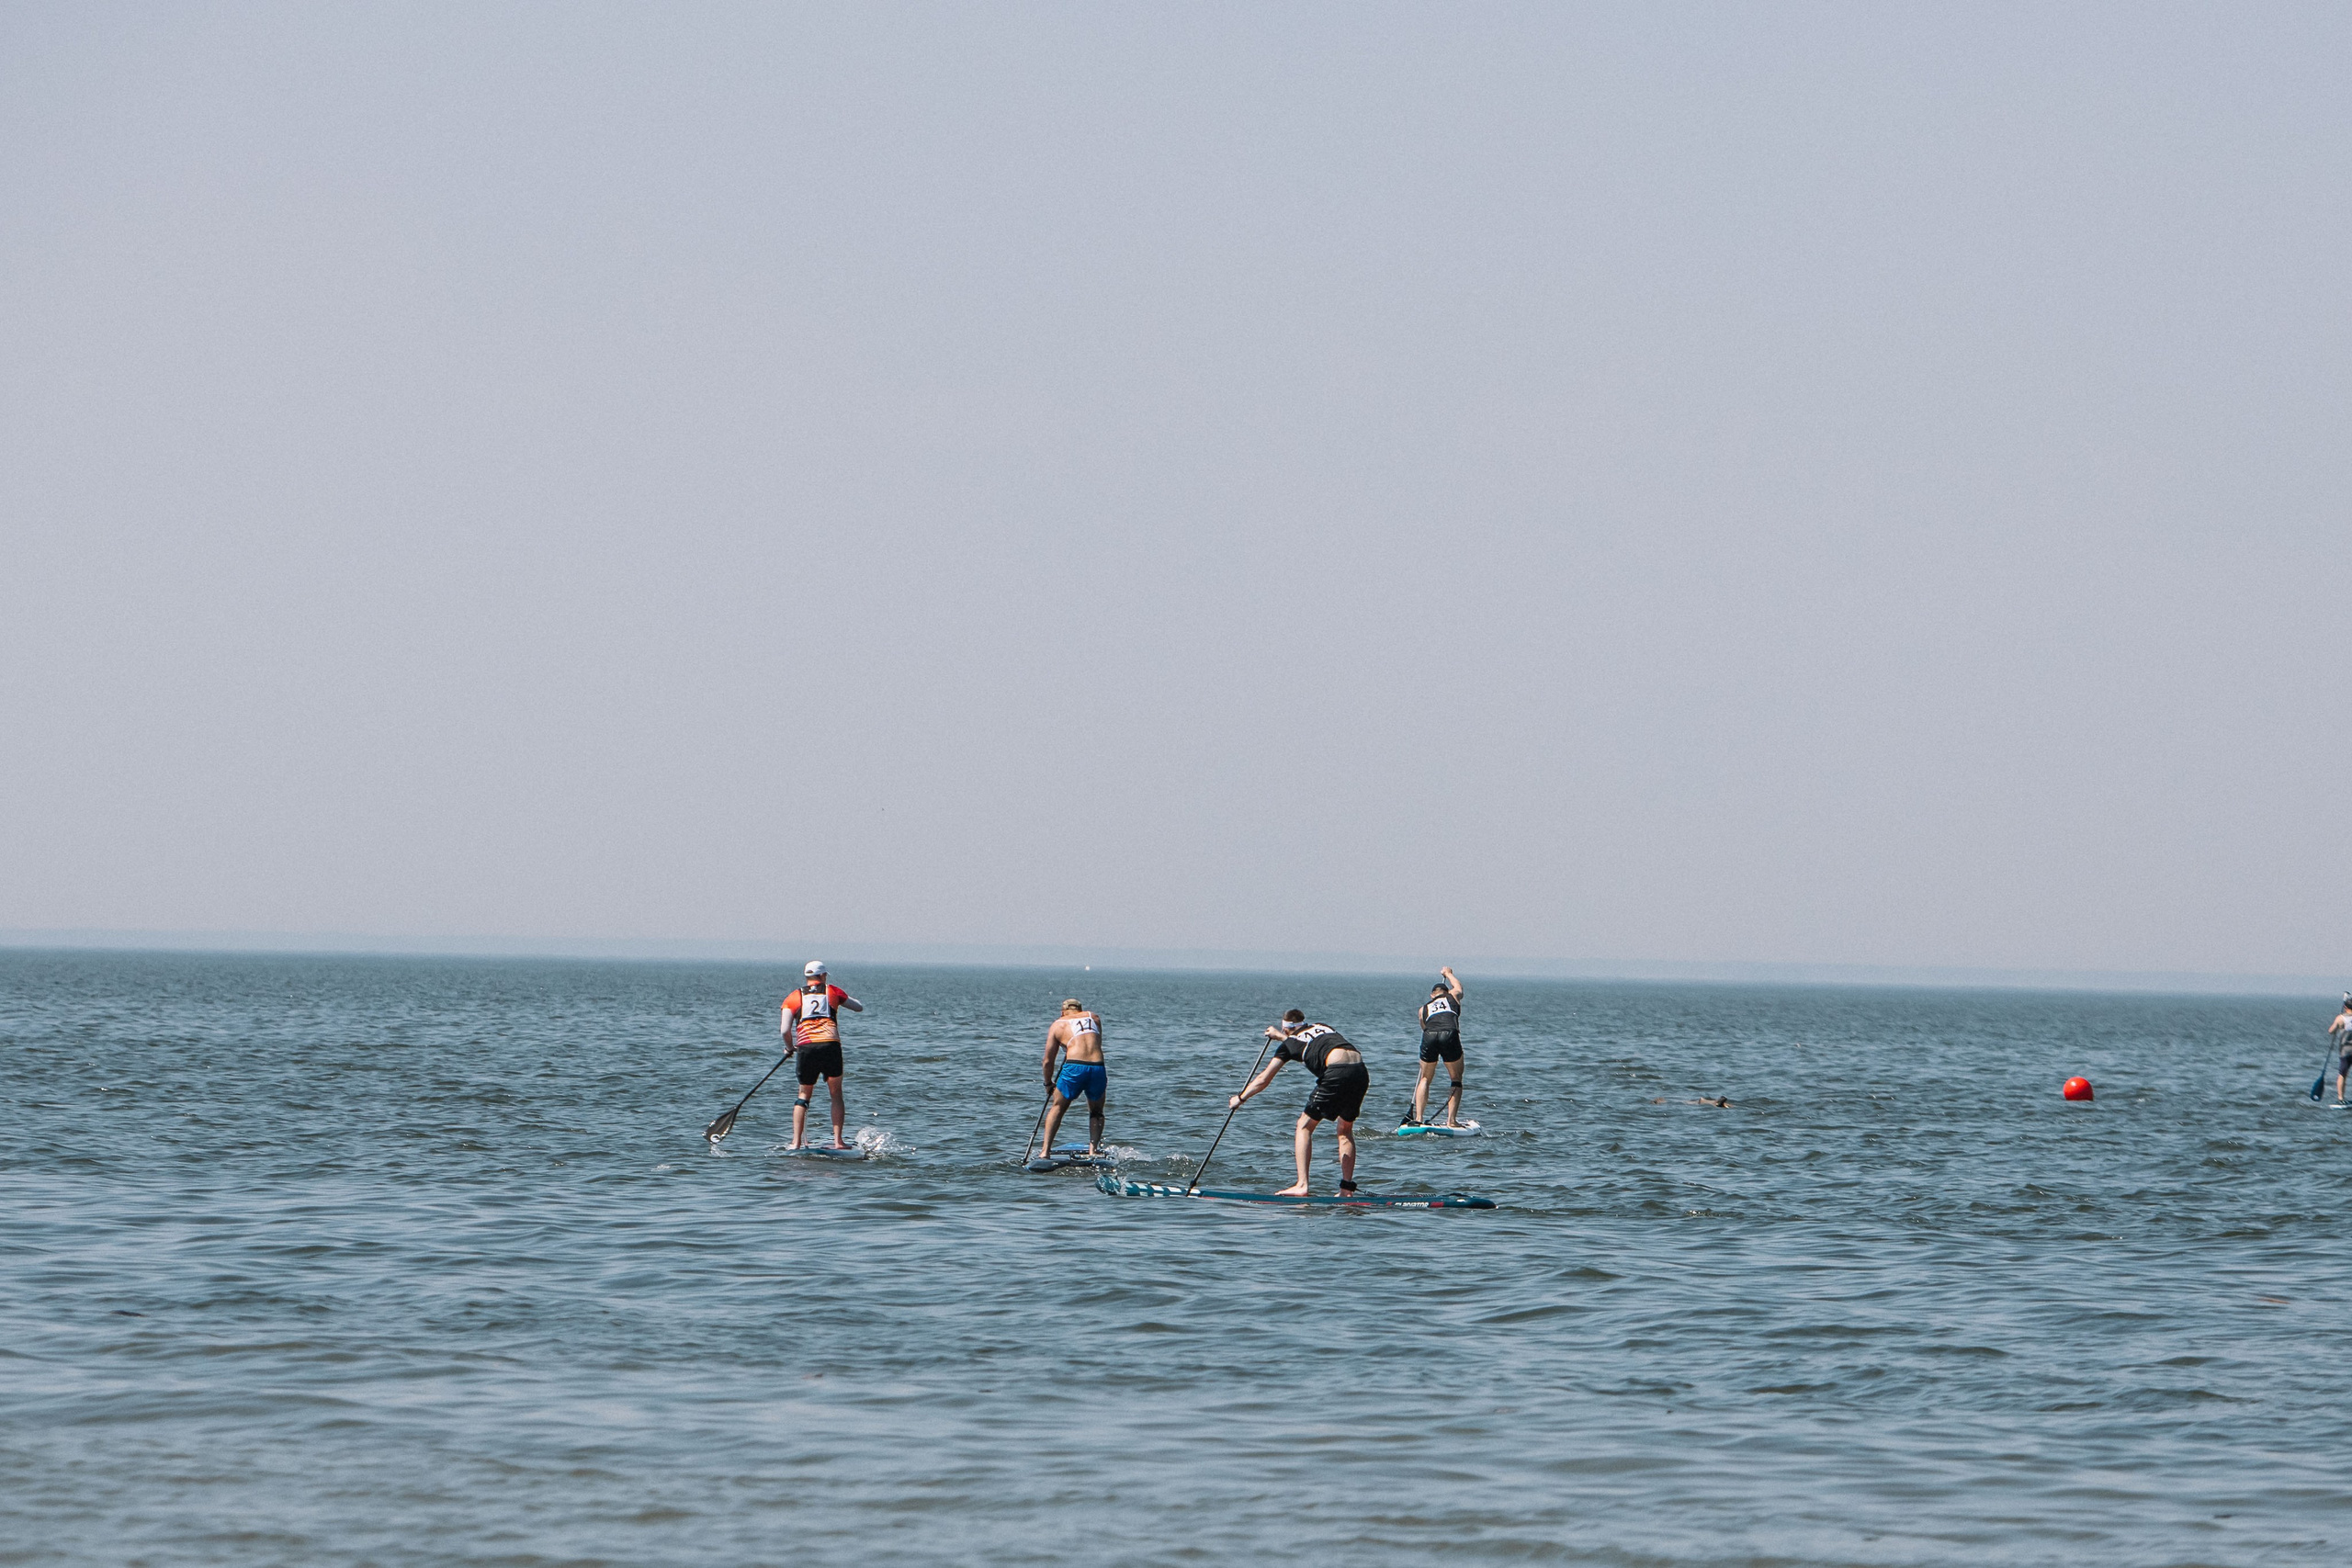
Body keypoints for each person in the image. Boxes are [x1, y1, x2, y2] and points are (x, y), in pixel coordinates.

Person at [1229, 1010, 1369, 1197]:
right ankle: (1346, 1189)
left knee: (1303, 1126)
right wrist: (1281, 1037)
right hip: (1360, 1071)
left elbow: (1264, 1079)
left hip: (1337, 1071)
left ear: (1285, 1029)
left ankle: (1302, 1185)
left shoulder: (1288, 1045)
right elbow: (1304, 1040)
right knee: (1344, 1131)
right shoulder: (1322, 1026)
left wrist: (1241, 1098)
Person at [781, 961, 865, 1149]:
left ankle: (795, 1143)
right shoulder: (833, 991)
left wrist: (789, 1048)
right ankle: (838, 1141)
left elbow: (784, 1030)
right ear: (824, 976)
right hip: (830, 1046)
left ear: (807, 977)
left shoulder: (793, 997)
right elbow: (859, 1007)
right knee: (836, 1094)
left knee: (803, 1095)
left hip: (806, 1048)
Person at [1038, 998, 1108, 1156]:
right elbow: (1094, 1041)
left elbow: (1048, 1061)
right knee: (1097, 1111)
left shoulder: (1058, 1024)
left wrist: (1048, 1084)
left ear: (1063, 1012)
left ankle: (1045, 1151)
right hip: (1097, 1067)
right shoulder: (1094, 1017)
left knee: (1058, 1107)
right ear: (1081, 1009)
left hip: (1074, 1067)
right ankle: (1093, 1149)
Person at [1406, 965, 1466, 1128]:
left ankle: (1418, 1118)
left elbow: (1424, 1027)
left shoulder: (1423, 1009)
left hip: (1429, 1036)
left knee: (1425, 1077)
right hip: (1449, 1033)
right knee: (1456, 1078)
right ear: (1446, 992)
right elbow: (1459, 988)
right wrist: (1448, 973)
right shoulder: (1452, 996)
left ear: (1432, 995)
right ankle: (1451, 1121)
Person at [2332, 994, 2352, 1104]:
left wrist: (2337, 1028)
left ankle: (2341, 1099)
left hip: (2345, 1051)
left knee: (2342, 1074)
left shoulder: (2340, 1018)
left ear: (2345, 1007)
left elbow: (2331, 1031)